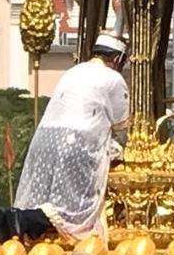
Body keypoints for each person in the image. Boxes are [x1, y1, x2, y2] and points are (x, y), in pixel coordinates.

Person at [13, 33, 129, 239]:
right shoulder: (113, 78)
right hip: (78, 142)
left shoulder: (72, 71)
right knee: (70, 206)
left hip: (44, 140)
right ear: (117, 59)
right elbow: (121, 125)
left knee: (44, 198)